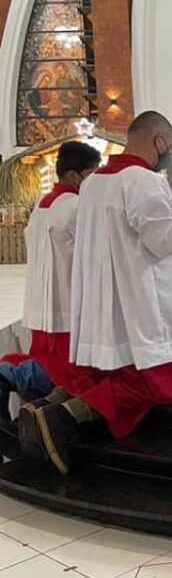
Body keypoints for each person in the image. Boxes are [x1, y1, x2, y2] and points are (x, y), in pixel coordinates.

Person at [18, 112, 172, 474]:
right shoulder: (143, 179)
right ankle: (64, 416)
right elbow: (163, 239)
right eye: (169, 145)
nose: (169, 152)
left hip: (109, 303)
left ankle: (50, 403)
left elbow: (127, 218)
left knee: (110, 371)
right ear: (158, 142)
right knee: (167, 380)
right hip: (143, 303)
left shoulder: (97, 182)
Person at [0, 142, 101, 420]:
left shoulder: (42, 204)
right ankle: (8, 374)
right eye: (93, 173)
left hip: (41, 306)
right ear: (73, 176)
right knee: (72, 372)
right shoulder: (76, 207)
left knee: (50, 363)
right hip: (66, 302)